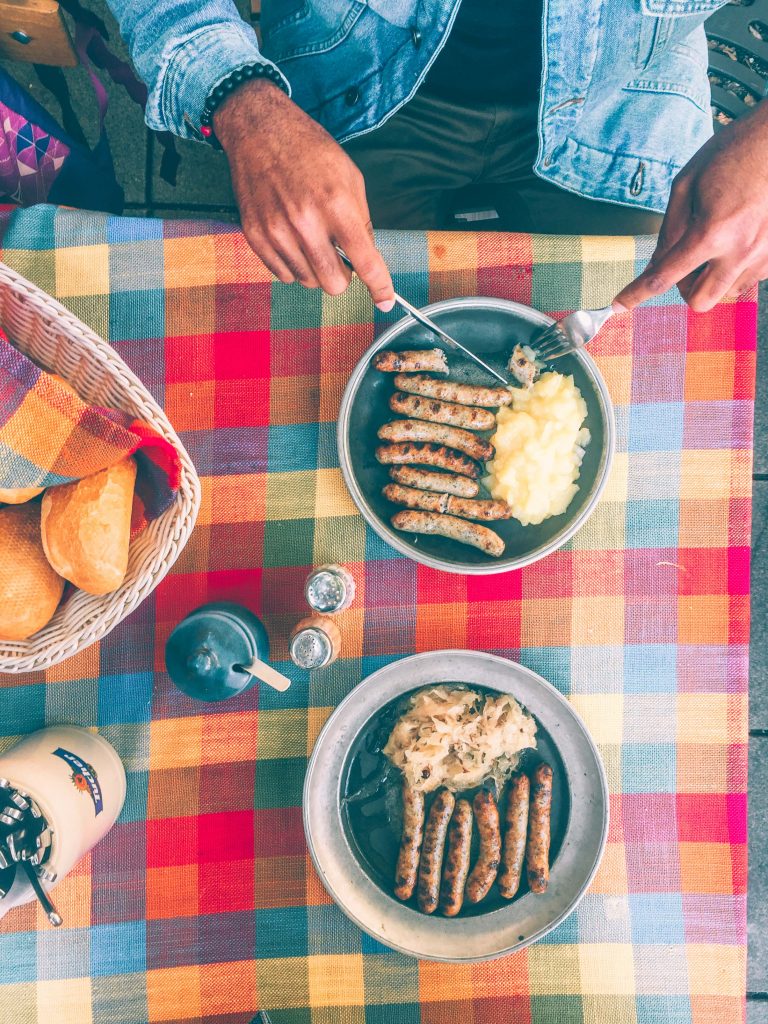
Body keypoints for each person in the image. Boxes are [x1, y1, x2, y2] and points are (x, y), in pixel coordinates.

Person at [106, 0, 768, 314]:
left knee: (638, 374)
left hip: (625, 105)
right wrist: (238, 99)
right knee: (315, 334)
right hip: (347, 81)